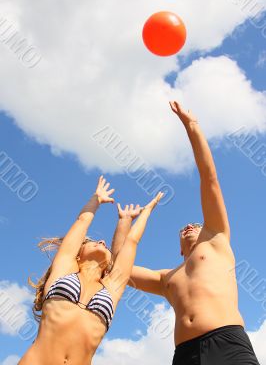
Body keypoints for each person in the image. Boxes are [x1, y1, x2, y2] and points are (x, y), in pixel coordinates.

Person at [112, 101, 260, 365]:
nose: (189, 227)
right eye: (183, 229)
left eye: (196, 224)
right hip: (185, 354)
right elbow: (119, 267)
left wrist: (192, 127)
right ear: (180, 248)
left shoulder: (216, 239)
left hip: (227, 343)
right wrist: (124, 222)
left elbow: (209, 179)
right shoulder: (165, 279)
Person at [19, 175, 163, 365]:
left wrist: (143, 213)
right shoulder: (64, 269)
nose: (102, 242)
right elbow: (81, 221)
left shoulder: (112, 287)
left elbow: (131, 242)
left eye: (103, 243)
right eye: (94, 241)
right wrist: (96, 199)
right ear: (78, 253)